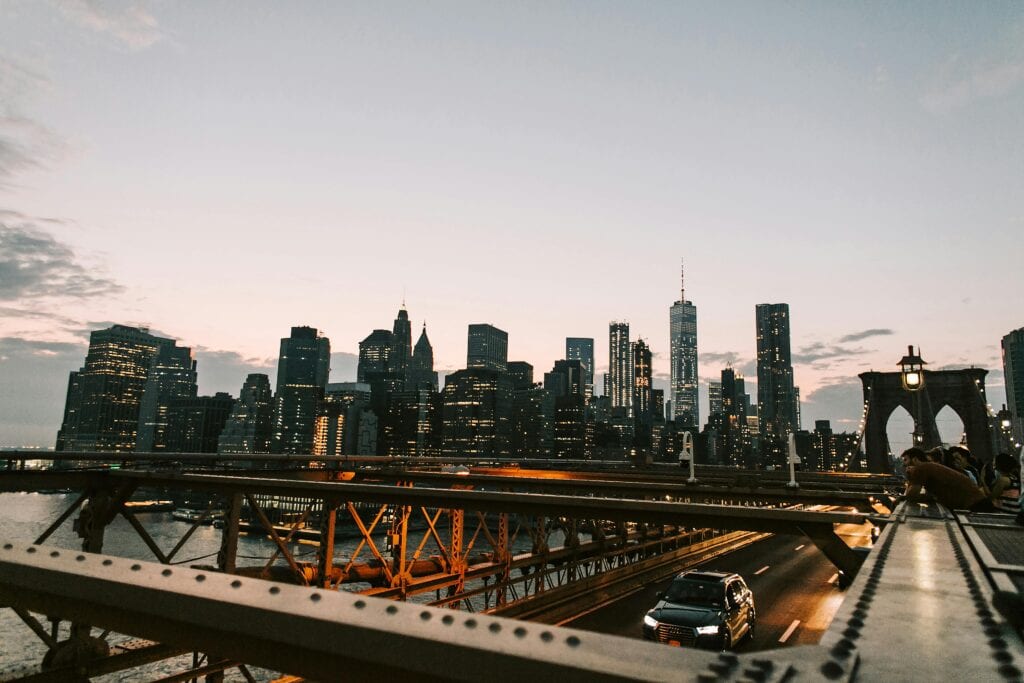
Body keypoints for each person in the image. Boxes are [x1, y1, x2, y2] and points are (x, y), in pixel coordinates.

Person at [900, 448, 997, 512]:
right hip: (977, 504)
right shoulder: (929, 467)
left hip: (976, 507)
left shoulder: (922, 468)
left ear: (915, 459)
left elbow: (911, 495)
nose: (904, 464)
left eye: (905, 460)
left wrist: (910, 477)